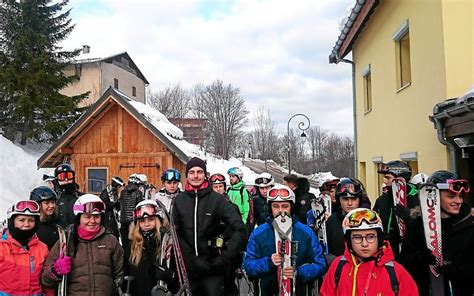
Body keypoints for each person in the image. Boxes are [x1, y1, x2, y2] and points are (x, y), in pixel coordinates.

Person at [173, 157, 246, 296]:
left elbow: (240, 228)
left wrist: (225, 257)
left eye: (199, 172)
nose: (195, 176)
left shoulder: (217, 200)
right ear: (187, 175)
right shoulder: (179, 201)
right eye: (192, 172)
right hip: (188, 268)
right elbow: (176, 234)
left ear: (205, 174)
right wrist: (192, 260)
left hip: (213, 268)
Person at [400, 170, 474, 296]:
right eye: (451, 196)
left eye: (460, 196)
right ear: (434, 196)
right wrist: (420, 258)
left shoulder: (470, 224)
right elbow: (404, 263)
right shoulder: (418, 225)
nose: (458, 201)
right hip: (427, 290)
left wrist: (456, 270)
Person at [243, 184, 327, 295]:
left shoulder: (305, 232)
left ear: (291, 207)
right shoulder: (259, 233)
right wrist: (268, 262)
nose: (281, 211)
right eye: (276, 206)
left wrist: (299, 272)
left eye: (285, 206)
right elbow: (248, 266)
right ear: (270, 207)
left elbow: (320, 264)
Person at [320, 208, 418, 295]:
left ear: (379, 238)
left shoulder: (395, 271)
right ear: (349, 240)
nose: (364, 244)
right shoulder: (338, 266)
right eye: (357, 237)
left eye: (370, 237)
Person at [42, 194, 124, 294]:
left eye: (96, 216)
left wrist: (117, 288)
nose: (92, 221)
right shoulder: (66, 241)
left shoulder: (110, 241)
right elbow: (45, 281)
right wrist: (55, 272)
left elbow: (120, 274)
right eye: (87, 217)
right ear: (79, 218)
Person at [124, 200, 176, 295]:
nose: (147, 224)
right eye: (142, 221)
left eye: (151, 219)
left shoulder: (167, 245)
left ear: (158, 220)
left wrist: (169, 276)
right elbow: (126, 272)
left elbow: (178, 276)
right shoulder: (132, 246)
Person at [0, 200, 50, 295]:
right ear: (12, 221)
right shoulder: (2, 246)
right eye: (21, 220)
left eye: (31, 220)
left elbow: (46, 283)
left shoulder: (42, 249)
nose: (26, 224)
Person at [373, 160, 419, 257]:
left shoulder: (418, 198)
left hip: (412, 253)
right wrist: (384, 237)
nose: (384, 182)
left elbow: (427, 226)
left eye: (388, 178)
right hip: (387, 252)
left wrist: (410, 216)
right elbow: (374, 223)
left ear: (400, 178)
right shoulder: (382, 200)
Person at [326, 178, 368, 258]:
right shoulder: (332, 221)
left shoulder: (368, 220)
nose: (349, 203)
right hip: (339, 266)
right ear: (339, 200)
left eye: (353, 199)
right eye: (345, 199)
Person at [30, 185, 62, 250]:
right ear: (38, 205)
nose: (51, 206)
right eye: (47, 203)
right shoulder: (33, 227)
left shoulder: (58, 222)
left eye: (53, 202)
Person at [119, 173, 146, 249]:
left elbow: (120, 204)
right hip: (133, 221)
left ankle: (125, 258)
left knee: (124, 242)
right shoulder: (138, 192)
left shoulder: (123, 192)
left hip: (123, 219)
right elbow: (140, 206)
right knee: (133, 242)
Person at [54, 163, 82, 228]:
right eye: (62, 176)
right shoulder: (54, 199)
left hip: (77, 232)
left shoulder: (80, 197)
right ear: (57, 179)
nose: (66, 179)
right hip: (59, 233)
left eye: (69, 176)